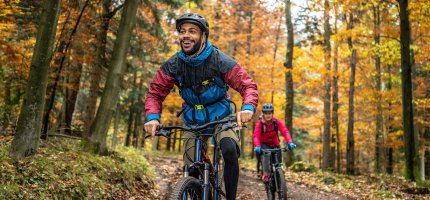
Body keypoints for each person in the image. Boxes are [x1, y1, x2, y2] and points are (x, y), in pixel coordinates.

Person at [144, 12, 258, 200]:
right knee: (191, 169)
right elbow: (155, 93)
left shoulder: (219, 60)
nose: (186, 35)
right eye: (182, 31)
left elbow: (247, 85)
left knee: (229, 149)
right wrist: (153, 118)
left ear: (203, 36)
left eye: (192, 31)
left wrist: (247, 107)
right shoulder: (174, 64)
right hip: (192, 119)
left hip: (221, 116)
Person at [253, 103, 296, 182]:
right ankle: (265, 174)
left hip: (275, 144)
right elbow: (256, 136)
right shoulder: (260, 124)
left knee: (278, 162)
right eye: (266, 113)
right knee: (267, 154)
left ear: (272, 113)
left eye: (269, 113)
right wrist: (257, 146)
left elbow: (284, 131)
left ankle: (279, 172)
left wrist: (290, 142)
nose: (268, 115)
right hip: (264, 144)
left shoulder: (276, 122)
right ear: (263, 114)